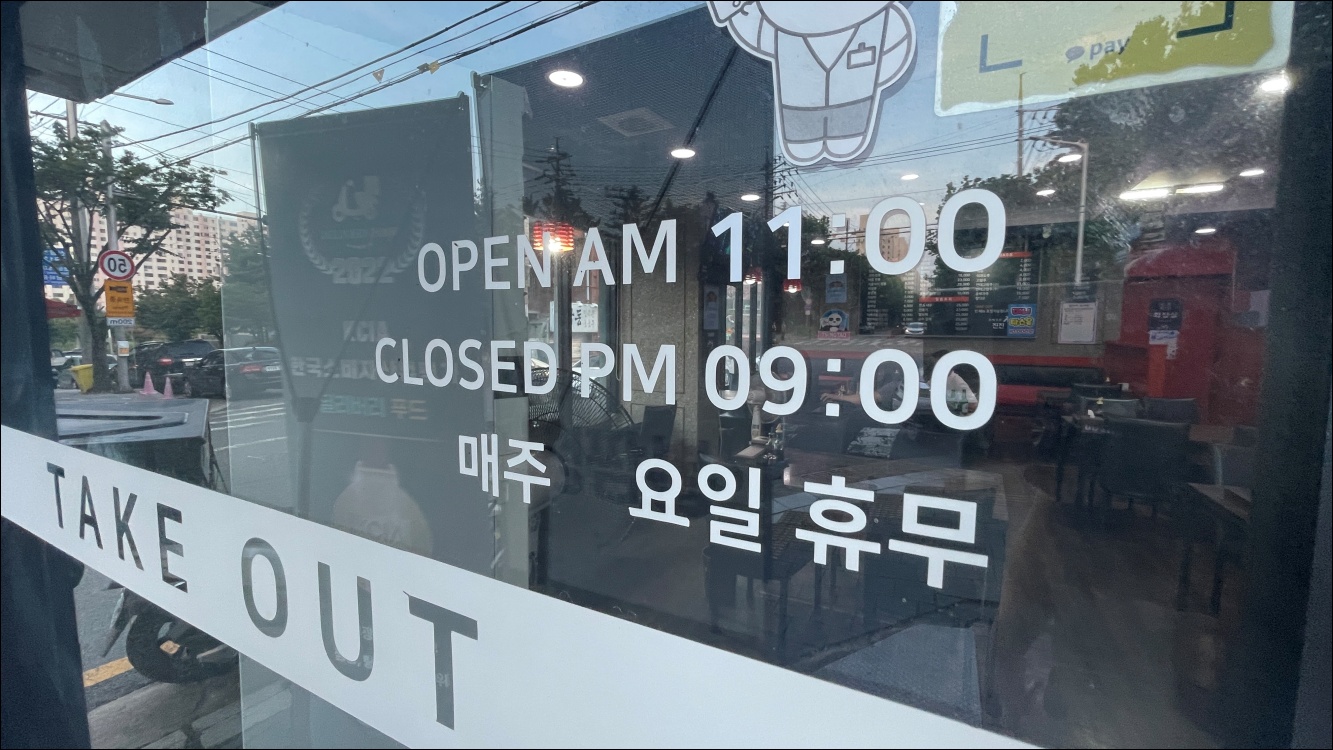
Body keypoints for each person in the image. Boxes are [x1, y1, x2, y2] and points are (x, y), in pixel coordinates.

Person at [924, 349, 977, 416]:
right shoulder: (935, 379)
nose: (934, 367)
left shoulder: (956, 381)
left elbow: (973, 404)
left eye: (938, 364)